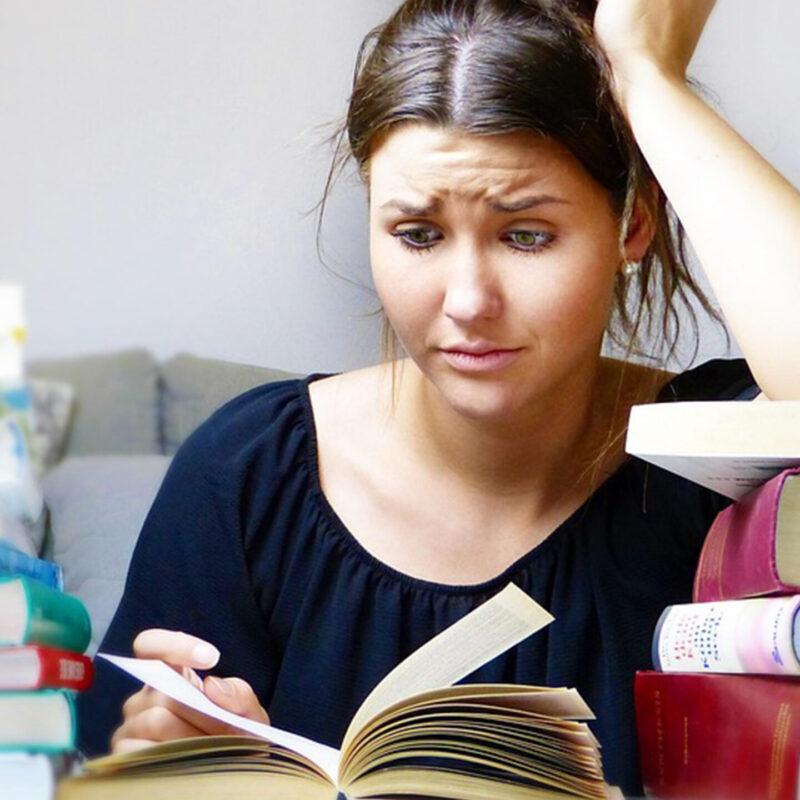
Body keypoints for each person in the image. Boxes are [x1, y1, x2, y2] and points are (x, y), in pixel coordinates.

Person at [76, 0, 800, 795]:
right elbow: (121, 765)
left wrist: (648, 77)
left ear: (633, 225)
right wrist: (177, 758)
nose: (467, 300)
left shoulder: (712, 466)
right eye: (418, 235)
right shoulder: (249, 474)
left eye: (525, 235)